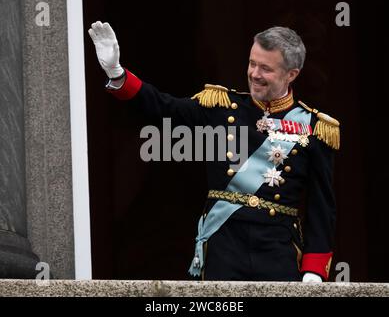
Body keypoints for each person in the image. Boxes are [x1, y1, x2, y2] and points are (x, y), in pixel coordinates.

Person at [88, 21, 339, 282]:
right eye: (252, 63)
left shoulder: (313, 128)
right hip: (225, 247)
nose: (254, 73)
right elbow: (163, 108)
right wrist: (118, 74)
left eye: (266, 68)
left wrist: (314, 268)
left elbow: (322, 207)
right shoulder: (221, 108)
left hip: (278, 251)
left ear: (292, 74)